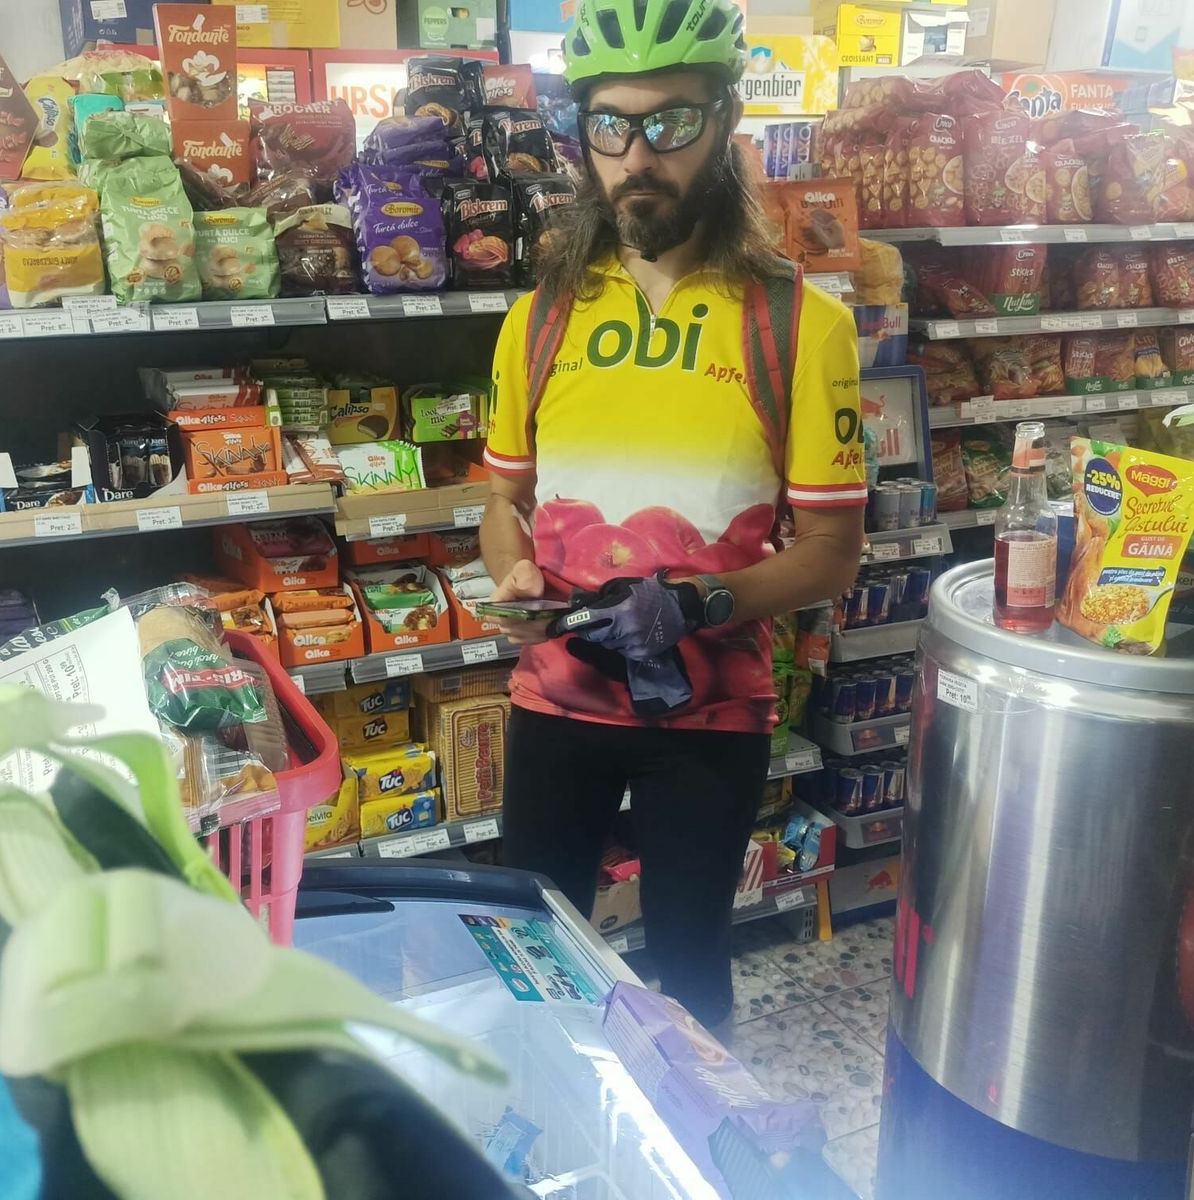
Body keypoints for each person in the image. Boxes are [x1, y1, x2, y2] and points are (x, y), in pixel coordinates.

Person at [479, 0, 867, 1027]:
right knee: (538, 961)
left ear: (725, 122)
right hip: (556, 699)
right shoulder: (540, 317)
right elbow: (502, 498)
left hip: (710, 714)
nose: (638, 157)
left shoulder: (801, 324)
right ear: (582, 138)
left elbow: (832, 553)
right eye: (612, 126)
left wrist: (698, 605)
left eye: (672, 123)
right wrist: (510, 569)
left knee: (690, 968)